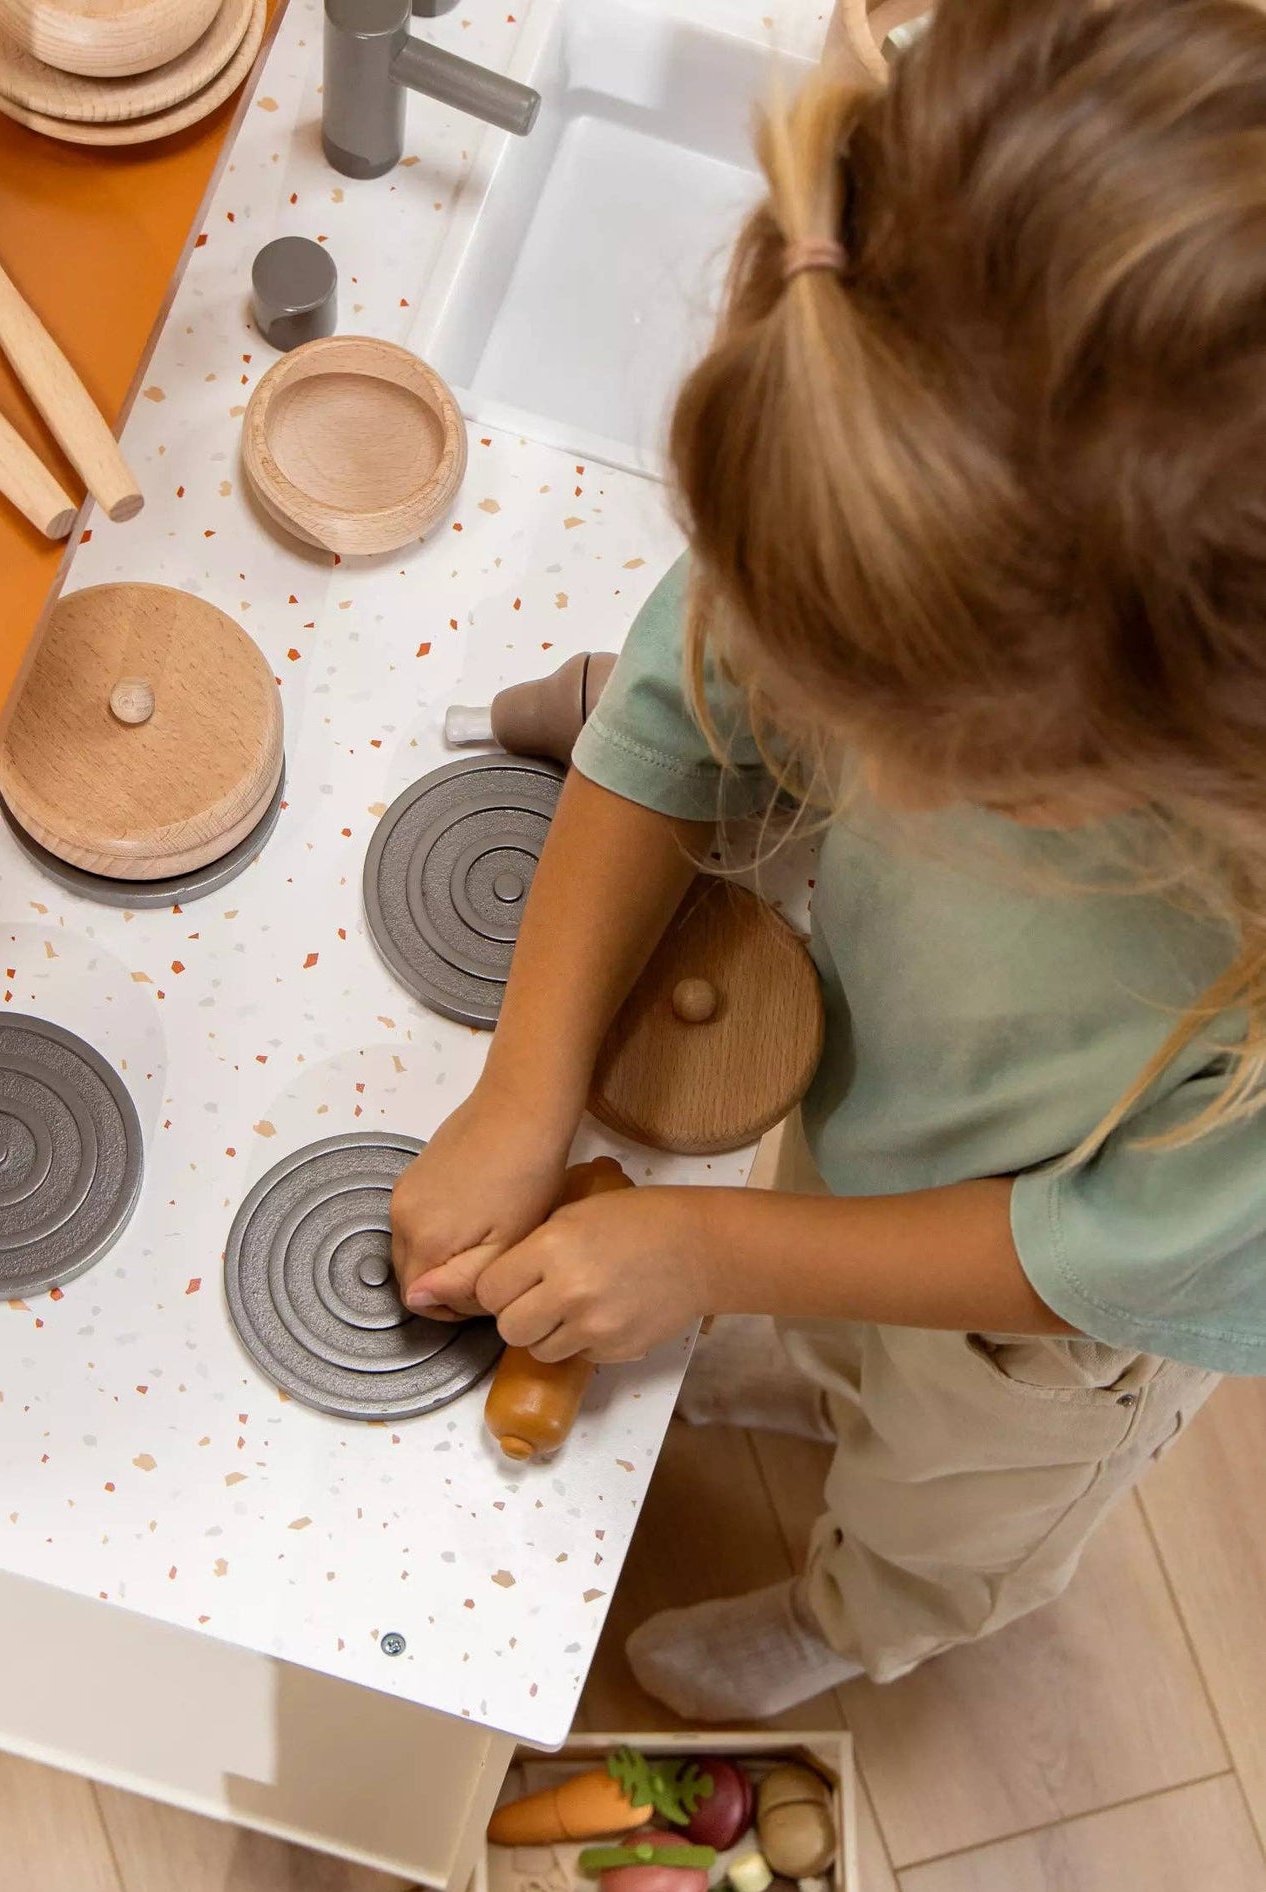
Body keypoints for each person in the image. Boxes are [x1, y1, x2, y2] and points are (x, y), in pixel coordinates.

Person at [390, 0, 1266, 1720]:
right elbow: (675, 703)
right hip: (886, 1133)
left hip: (1050, 1334)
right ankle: (816, 1363)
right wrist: (523, 1088)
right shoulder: (922, 447)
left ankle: (856, 1624)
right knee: (836, 1298)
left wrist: (713, 1261)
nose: (837, 756)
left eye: (914, 751)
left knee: (941, 1493)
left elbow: (1091, 1249)